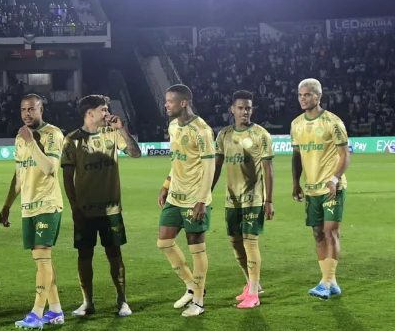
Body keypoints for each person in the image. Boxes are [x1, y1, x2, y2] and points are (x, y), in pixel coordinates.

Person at [61, 94, 142, 318]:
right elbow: (68, 177)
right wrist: (74, 207)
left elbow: (135, 153)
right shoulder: (72, 140)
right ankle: (87, 302)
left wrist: (122, 129)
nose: (108, 113)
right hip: (85, 211)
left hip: (111, 209)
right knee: (84, 256)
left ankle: (122, 300)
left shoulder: (113, 134)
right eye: (104, 109)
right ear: (90, 113)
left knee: (114, 255)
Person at [0, 94, 67, 330]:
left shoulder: (53, 134)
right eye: (23, 109)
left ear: (41, 110)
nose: (27, 113)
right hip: (28, 206)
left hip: (48, 203)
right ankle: (56, 310)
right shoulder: (20, 139)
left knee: (41, 257)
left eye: (32, 109)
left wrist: (31, 142)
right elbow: (19, 176)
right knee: (42, 261)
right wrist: (7, 204)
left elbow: (49, 168)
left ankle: (37, 312)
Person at [156, 85, 216, 317]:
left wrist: (202, 200)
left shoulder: (202, 130)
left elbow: (209, 167)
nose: (166, 105)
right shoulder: (173, 126)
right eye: (166, 100)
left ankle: (199, 302)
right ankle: (192, 286)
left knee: (196, 249)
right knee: (164, 243)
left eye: (170, 101)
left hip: (194, 199)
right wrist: (166, 184)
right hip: (175, 195)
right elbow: (176, 160)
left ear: (183, 103)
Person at [211, 91, 274, 309]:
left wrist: (269, 201)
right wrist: (206, 192)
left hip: (253, 198)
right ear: (232, 109)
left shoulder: (260, 134)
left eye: (248, 108)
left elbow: (268, 169)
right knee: (235, 243)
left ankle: (254, 294)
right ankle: (251, 284)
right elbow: (216, 166)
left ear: (251, 110)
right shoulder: (223, 135)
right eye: (240, 107)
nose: (244, 111)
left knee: (250, 241)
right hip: (232, 199)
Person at [290, 78, 350, 300]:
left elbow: (345, 155)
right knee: (317, 233)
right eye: (300, 95)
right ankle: (330, 282)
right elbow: (297, 156)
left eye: (307, 94)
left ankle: (326, 282)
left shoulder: (333, 123)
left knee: (330, 231)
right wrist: (296, 182)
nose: (303, 98)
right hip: (311, 188)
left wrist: (334, 178)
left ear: (318, 96)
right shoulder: (296, 124)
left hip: (332, 186)